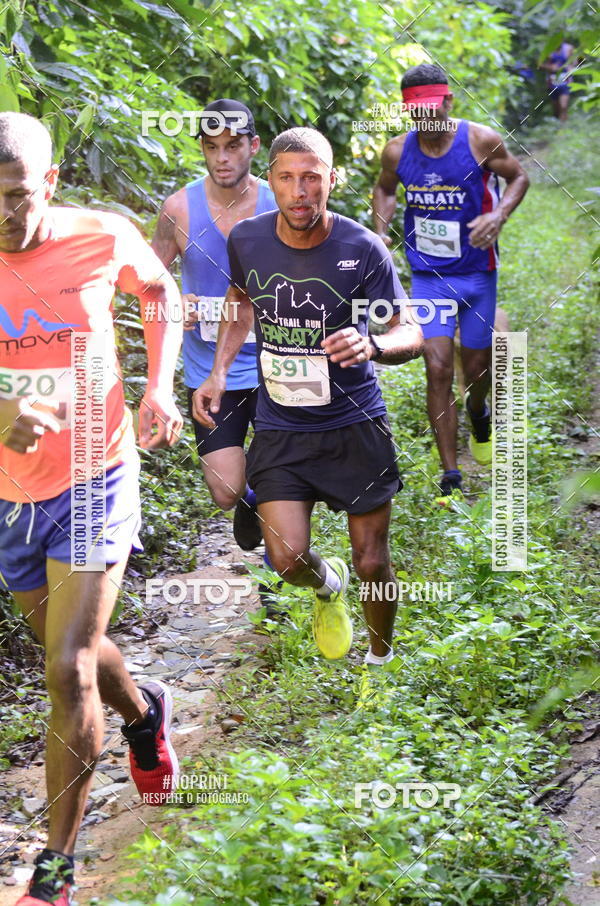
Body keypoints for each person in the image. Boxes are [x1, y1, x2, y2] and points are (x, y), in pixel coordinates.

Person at [0, 112, 182, 906]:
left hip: (91, 467)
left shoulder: (99, 234)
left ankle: (54, 868)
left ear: (46, 183)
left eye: (13, 195)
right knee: (64, 643)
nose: (1, 213)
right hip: (10, 490)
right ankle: (145, 714)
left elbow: (159, 290)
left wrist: (159, 385)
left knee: (66, 665)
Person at [193, 127, 423, 664]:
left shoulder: (362, 247)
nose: (300, 191)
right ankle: (326, 585)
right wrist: (219, 374)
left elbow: (410, 332)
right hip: (282, 425)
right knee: (288, 558)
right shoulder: (247, 238)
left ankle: (380, 659)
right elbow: (241, 300)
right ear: (269, 181)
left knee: (372, 560)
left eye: (312, 178)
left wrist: (372, 344)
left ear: (332, 180)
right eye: (287, 178)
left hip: (354, 423)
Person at [372, 63, 529, 500]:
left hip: (479, 273)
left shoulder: (479, 140)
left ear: (448, 102)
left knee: (476, 370)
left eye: (430, 107)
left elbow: (519, 176)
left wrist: (499, 215)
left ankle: (479, 412)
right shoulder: (397, 151)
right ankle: (451, 477)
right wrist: (380, 230)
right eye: (414, 110)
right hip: (429, 277)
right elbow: (385, 189)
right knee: (437, 367)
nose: (424, 118)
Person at [151, 99, 276, 557]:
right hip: (209, 370)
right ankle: (251, 503)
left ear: (253, 146)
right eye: (211, 147)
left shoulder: (277, 202)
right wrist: (171, 300)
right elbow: (147, 282)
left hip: (275, 360)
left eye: (233, 146)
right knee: (226, 491)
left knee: (279, 476)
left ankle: (275, 572)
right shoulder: (179, 209)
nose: (222, 158)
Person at [540, 42, 576, 122]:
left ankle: (563, 127)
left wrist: (571, 68)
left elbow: (575, 62)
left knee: (563, 106)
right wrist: (550, 67)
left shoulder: (568, 48)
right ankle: (557, 121)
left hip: (565, 81)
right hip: (552, 82)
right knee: (556, 107)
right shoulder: (548, 49)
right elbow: (540, 64)